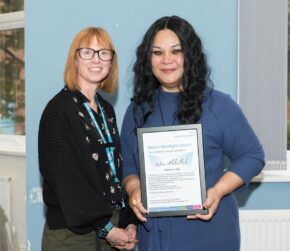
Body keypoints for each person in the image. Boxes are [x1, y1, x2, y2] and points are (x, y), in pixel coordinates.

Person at [121, 16, 265, 251]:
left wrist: (218, 191)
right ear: (148, 60)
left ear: (190, 55)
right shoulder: (137, 110)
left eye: (176, 51)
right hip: (155, 238)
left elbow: (252, 156)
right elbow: (128, 166)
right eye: (157, 53)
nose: (167, 60)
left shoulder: (219, 106)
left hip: (209, 235)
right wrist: (134, 189)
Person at [38, 27, 138, 251]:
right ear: (74, 59)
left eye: (104, 53)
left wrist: (128, 221)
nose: (96, 59)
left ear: (111, 62)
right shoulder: (58, 111)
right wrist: (108, 230)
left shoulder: (106, 110)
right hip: (72, 235)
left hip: (109, 227)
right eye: (87, 52)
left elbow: (113, 173)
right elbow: (67, 181)